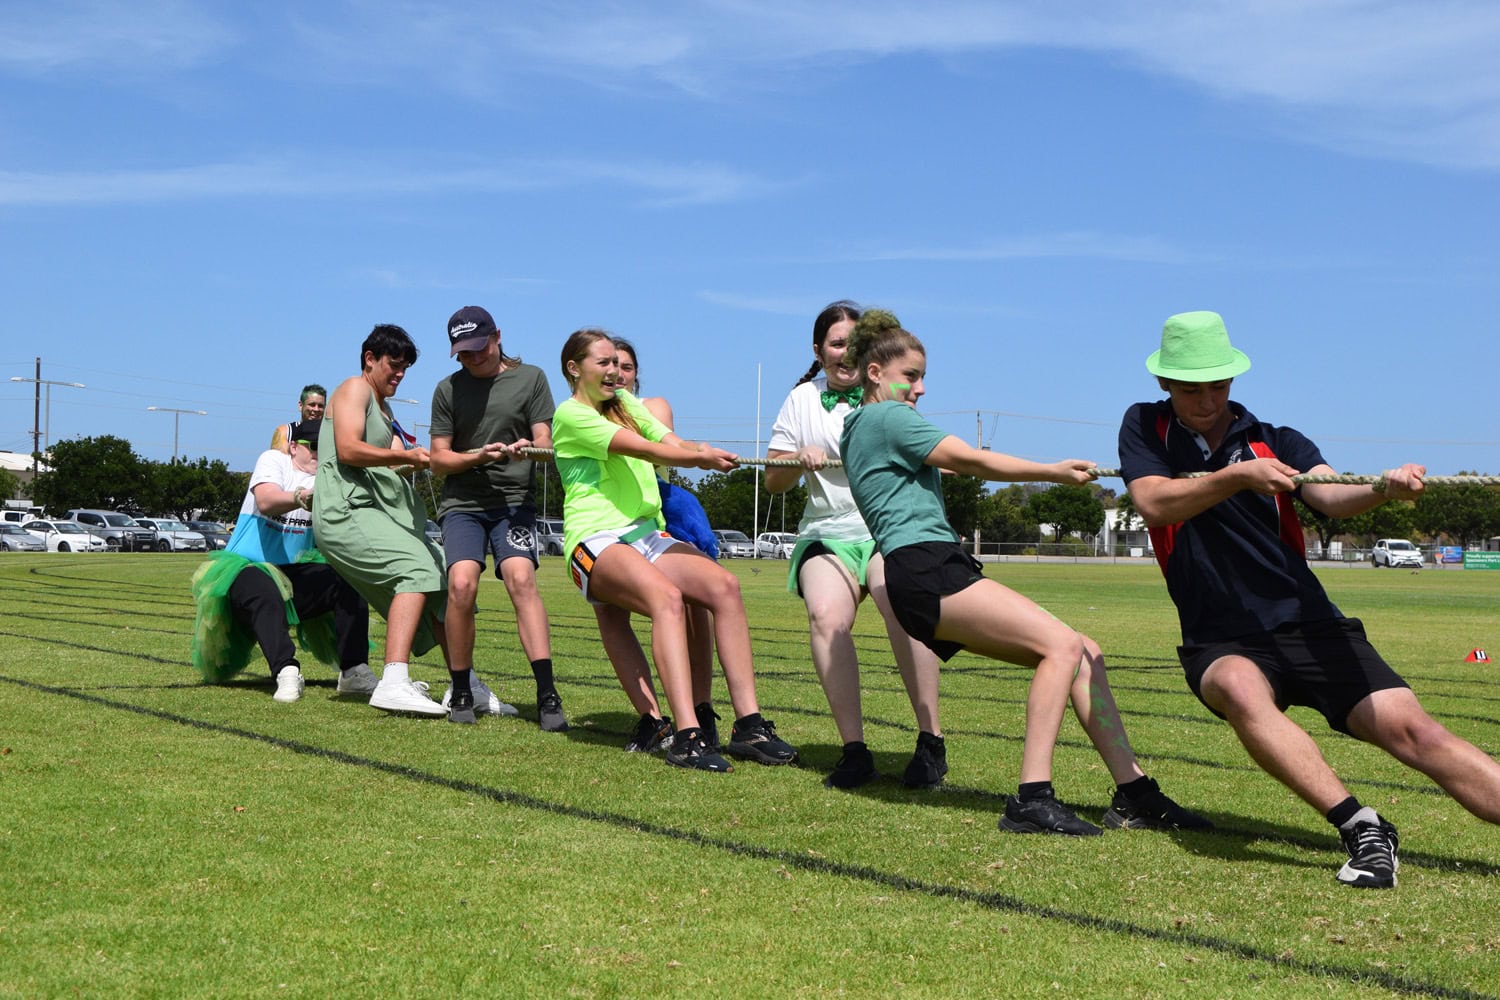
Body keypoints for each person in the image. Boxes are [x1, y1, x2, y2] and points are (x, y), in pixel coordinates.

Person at [1118, 310, 1500, 886]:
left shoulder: (1277, 440)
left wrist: (1383, 488)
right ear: (1164, 382)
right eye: (1191, 389)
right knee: (1240, 690)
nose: (1206, 401)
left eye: (1217, 385)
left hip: (1311, 622)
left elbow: (1330, 497)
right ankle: (1362, 827)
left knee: (1414, 731)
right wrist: (1239, 477)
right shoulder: (1145, 426)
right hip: (1220, 637)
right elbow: (1153, 502)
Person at [840, 308, 1208, 835]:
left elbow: (944, 464)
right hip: (926, 567)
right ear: (875, 373)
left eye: (922, 377)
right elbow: (971, 460)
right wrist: (1053, 471)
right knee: (1062, 646)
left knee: (1084, 653)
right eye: (910, 376)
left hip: (922, 572)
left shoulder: (859, 427)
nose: (920, 388)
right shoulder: (890, 418)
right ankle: (1032, 799)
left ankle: (1135, 793)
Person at [553, 329, 797, 772]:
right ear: (574, 369)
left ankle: (749, 726)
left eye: (617, 363)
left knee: (724, 587)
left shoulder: (625, 404)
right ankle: (688, 735)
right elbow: (643, 448)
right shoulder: (570, 415)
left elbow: (666, 440)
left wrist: (700, 450)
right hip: (595, 538)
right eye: (603, 363)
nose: (614, 371)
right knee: (665, 598)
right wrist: (698, 459)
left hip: (646, 532)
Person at [766, 300, 945, 789]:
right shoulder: (801, 399)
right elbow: (773, 483)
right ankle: (854, 751)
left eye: (853, 343)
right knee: (826, 616)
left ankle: (931, 741)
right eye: (836, 343)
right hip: (826, 532)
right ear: (818, 350)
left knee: (901, 603)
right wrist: (795, 458)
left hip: (886, 529)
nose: (845, 353)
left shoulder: (891, 393)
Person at [429, 306, 568, 732]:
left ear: (498, 337)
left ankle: (547, 693)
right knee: (461, 585)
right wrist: (477, 457)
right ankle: (462, 690)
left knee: (521, 579)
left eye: (479, 348)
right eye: (464, 353)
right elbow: (438, 460)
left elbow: (546, 441)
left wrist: (531, 449)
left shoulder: (532, 379)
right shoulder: (447, 390)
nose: (473, 358)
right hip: (462, 505)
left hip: (514, 504)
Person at [314, 324, 457, 719]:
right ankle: (393, 682)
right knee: (416, 567)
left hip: (370, 511)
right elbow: (348, 449)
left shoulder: (384, 408)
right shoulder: (354, 389)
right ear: (369, 359)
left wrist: (446, 458)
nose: (400, 374)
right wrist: (407, 457)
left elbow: (393, 460)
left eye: (405, 368)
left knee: (444, 571)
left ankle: (463, 684)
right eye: (394, 365)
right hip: (344, 511)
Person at [190, 417, 374, 702]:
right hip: (242, 571)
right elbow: (266, 500)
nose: (320, 452)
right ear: (293, 447)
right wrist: (301, 497)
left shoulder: (332, 478)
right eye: (314, 446)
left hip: (293, 576)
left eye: (328, 447)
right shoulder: (273, 460)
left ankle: (354, 671)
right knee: (263, 586)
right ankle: (286, 671)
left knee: (348, 580)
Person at [594, 337, 719, 754]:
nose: (617, 373)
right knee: (611, 611)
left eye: (625, 367)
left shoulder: (651, 406)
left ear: (636, 374)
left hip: (661, 513)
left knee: (693, 606)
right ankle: (653, 718)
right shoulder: (583, 413)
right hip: (609, 520)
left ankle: (700, 710)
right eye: (609, 365)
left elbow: (659, 448)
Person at [269, 385, 327, 454]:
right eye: (312, 405)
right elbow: (278, 459)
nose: (316, 409)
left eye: (320, 406)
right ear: (300, 406)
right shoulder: (286, 432)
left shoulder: (330, 433)